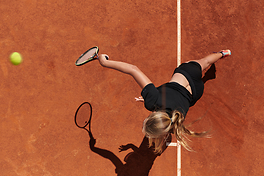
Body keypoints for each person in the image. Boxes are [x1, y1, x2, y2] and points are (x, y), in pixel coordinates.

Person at [97, 50, 231, 153]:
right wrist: (105, 62)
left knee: (202, 70)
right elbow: (133, 69)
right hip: (187, 72)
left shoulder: (176, 121)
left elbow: (171, 101)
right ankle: (222, 53)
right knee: (205, 61)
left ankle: (220, 58)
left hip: (196, 92)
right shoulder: (153, 100)